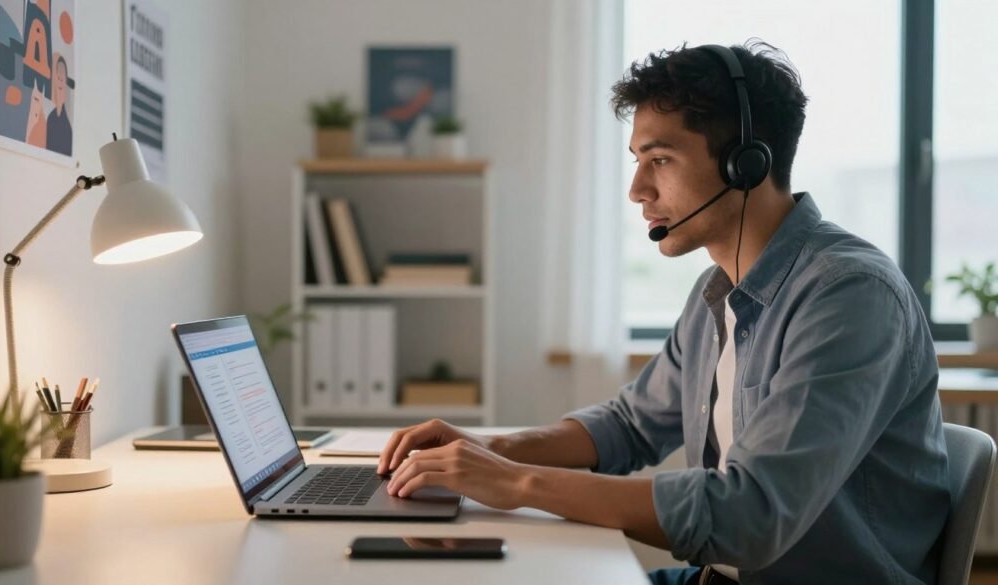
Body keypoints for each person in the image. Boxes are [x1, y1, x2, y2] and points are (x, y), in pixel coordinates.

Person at [378, 41, 949, 585]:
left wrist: (517, 482)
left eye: (660, 159)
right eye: (637, 160)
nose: (637, 189)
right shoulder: (718, 290)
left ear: (744, 165)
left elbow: (749, 516)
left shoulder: (848, 297)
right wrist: (488, 451)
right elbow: (630, 425)